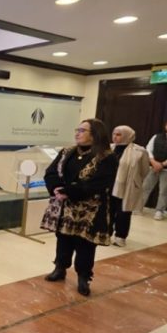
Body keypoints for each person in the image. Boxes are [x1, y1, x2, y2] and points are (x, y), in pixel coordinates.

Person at [40, 118, 119, 296]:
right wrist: (56, 188)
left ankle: (84, 277)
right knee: (63, 238)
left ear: (95, 134)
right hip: (64, 206)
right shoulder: (67, 151)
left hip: (90, 210)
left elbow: (99, 183)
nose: (77, 133)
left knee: (85, 244)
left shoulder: (107, 156)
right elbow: (51, 172)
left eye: (83, 130)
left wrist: (68, 191)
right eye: (77, 130)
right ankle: (60, 268)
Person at [110, 125, 150, 247]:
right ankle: (106, 233)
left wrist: (134, 180)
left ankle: (120, 236)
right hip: (109, 185)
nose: (115, 137)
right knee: (108, 210)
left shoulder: (139, 151)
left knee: (124, 212)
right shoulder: (109, 148)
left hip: (127, 186)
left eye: (118, 134)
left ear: (128, 136)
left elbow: (144, 170)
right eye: (114, 134)